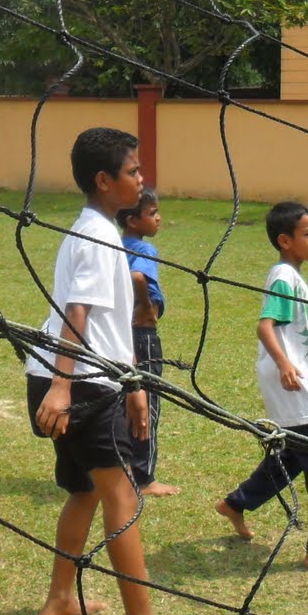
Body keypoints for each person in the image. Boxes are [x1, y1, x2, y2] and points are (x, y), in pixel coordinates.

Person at [25, 126, 202, 615]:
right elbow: (76, 314)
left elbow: (109, 323)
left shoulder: (98, 230)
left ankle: (60, 598)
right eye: (133, 171)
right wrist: (62, 387)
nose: (142, 179)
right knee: (123, 496)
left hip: (82, 376)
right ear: (104, 181)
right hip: (78, 381)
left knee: (85, 490)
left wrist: (135, 386)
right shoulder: (98, 237)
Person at [216, 202, 308, 570]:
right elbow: (264, 326)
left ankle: (236, 503)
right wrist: (285, 365)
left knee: (293, 456)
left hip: (289, 380)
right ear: (285, 240)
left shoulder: (289, 274)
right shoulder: (284, 277)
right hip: (292, 384)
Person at [118, 188, 178, 497]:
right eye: (152, 213)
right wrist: (145, 305)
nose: (159, 218)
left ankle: (124, 466)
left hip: (119, 335)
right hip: (143, 336)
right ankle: (145, 478)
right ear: (133, 220)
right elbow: (138, 277)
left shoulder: (114, 244)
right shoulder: (143, 248)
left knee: (122, 401)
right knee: (148, 403)